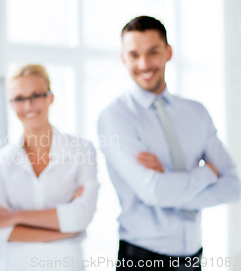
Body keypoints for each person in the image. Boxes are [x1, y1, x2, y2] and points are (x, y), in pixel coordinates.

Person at [97, 16, 240, 270]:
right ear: (123, 59)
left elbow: (233, 184)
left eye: (153, 52)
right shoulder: (115, 117)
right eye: (134, 55)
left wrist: (173, 189)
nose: (144, 64)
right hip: (142, 258)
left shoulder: (196, 112)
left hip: (194, 256)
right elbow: (155, 192)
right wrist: (206, 174)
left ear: (168, 52)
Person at [0, 64, 99, 271]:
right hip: (17, 265)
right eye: (19, 98)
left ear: (50, 97)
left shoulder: (82, 151)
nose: (28, 105)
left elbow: (82, 216)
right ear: (11, 104)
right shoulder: (0, 162)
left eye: (36, 95)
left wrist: (15, 216)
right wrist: (65, 229)